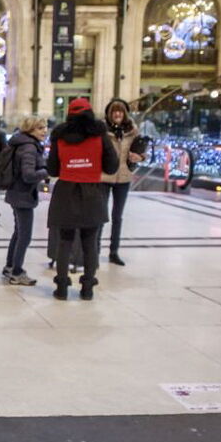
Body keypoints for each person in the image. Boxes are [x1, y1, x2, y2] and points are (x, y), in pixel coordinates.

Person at [46, 98, 119, 301]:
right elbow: (111, 166)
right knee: (90, 242)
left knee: (65, 241)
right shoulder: (100, 136)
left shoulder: (59, 137)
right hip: (92, 193)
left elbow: (52, 169)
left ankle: (61, 287)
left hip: (65, 192)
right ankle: (87, 288)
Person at [3, 115, 49, 286]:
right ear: (30, 130)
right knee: (25, 236)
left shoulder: (21, 143)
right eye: (40, 128)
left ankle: (9, 266)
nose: (44, 130)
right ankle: (16, 272)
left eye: (45, 127)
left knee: (18, 233)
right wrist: (47, 172)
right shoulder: (29, 147)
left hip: (16, 193)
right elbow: (28, 175)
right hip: (23, 196)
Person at [100, 98, 145, 266]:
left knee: (117, 216)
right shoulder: (102, 130)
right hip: (104, 176)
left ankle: (114, 252)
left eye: (120, 111)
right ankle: (95, 250)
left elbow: (141, 150)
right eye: (114, 111)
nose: (117, 114)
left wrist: (139, 156)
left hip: (124, 177)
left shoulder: (132, 131)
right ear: (109, 114)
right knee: (101, 215)